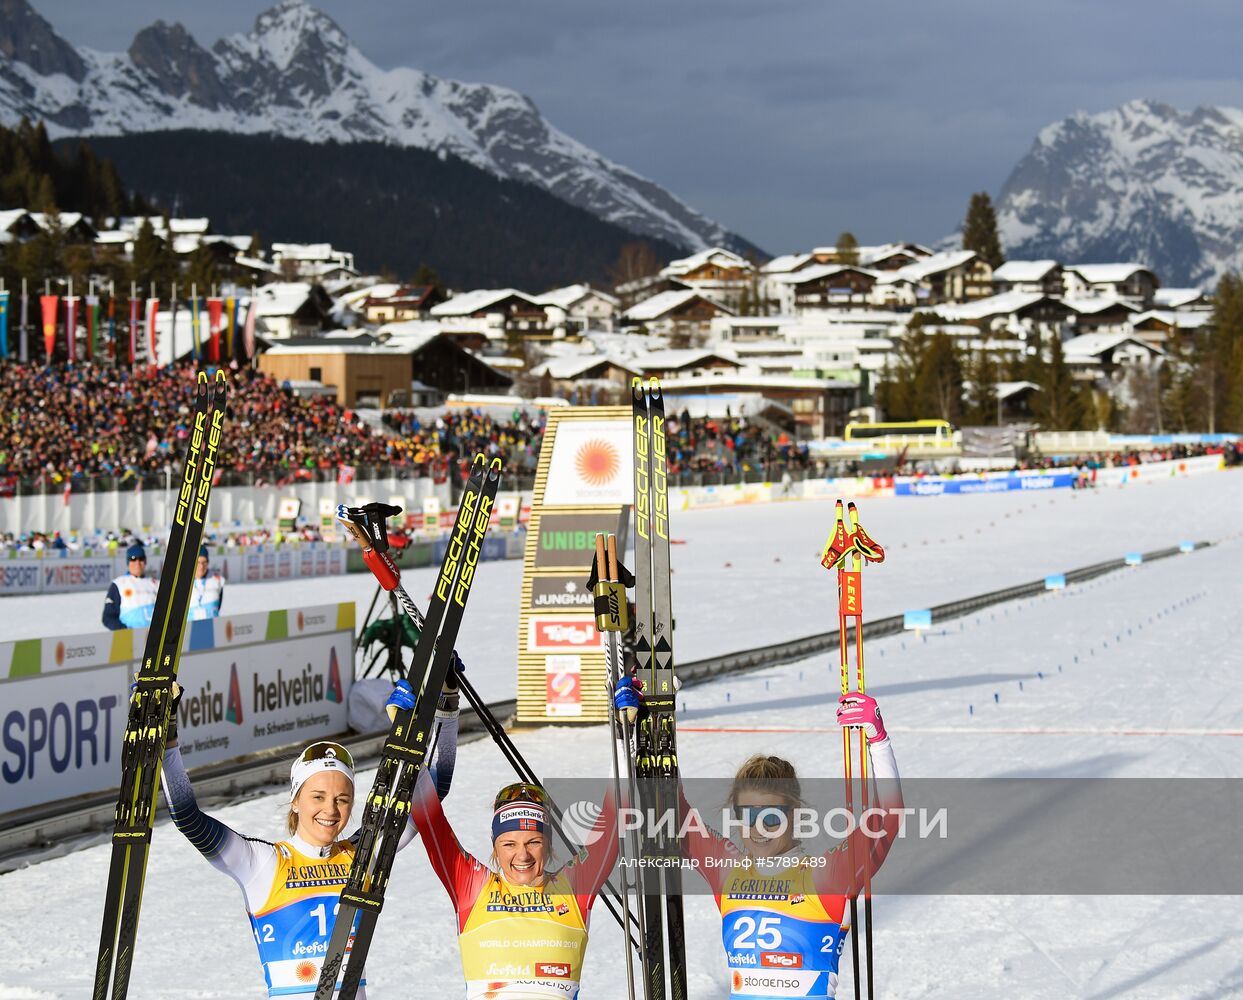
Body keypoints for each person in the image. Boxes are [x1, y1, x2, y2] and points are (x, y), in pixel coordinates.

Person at [159, 667, 462, 997]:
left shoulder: (361, 855)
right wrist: (168, 738)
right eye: (317, 797)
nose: (330, 811)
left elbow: (432, 793)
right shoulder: (263, 862)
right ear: (295, 801)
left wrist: (445, 705)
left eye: (342, 799)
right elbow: (188, 818)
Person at [615, 680, 903, 1000]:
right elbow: (676, 815)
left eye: (771, 816)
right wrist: (651, 726)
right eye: (746, 815)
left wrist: (878, 741)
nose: (758, 828)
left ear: (794, 816)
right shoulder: (728, 871)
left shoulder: (825, 876)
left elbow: (888, 817)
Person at [408, 702, 623, 998]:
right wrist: (407, 733)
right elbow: (430, 816)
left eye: (533, 842)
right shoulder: (472, 886)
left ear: (547, 845)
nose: (522, 856)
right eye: (509, 844)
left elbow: (611, 829)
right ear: (495, 846)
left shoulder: (572, 888)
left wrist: (624, 738)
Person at [102, 543, 159, 630]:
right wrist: (123, 631)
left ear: (145, 561)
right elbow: (108, 617)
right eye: (133, 559)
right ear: (128, 562)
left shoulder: (156, 584)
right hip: (129, 638)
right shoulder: (119, 584)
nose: (137, 563)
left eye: (141, 559)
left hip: (154, 637)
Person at [188, 544, 225, 620]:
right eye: (198, 562)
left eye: (204, 562)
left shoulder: (217, 580)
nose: (201, 566)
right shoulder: (182, 582)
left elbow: (218, 606)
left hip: (212, 627)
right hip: (190, 629)